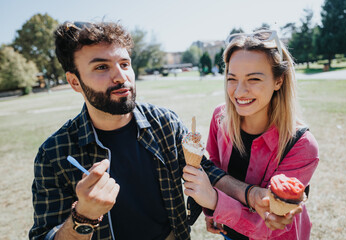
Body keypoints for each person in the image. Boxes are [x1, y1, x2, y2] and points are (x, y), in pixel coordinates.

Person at [29, 21, 230, 240]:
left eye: (124, 64)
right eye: (101, 67)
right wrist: (83, 217)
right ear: (74, 82)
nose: (121, 76)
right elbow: (43, 236)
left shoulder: (164, 122)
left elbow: (207, 171)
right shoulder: (54, 153)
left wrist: (251, 194)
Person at [182, 30, 319, 240]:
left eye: (253, 79)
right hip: (229, 231)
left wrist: (215, 202)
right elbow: (215, 168)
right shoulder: (220, 117)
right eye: (232, 79)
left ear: (278, 81)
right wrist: (212, 213)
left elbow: (271, 226)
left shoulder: (302, 145)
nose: (238, 92)